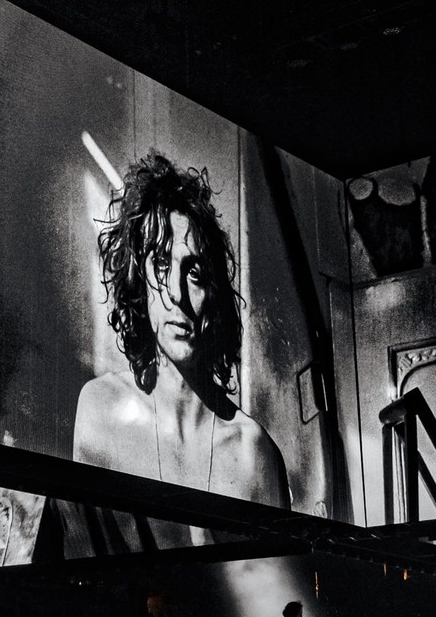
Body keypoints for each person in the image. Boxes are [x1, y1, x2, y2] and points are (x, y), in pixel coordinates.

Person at [74, 152, 288, 507]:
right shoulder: (100, 408)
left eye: (195, 272)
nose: (176, 292)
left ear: (215, 289)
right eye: (160, 263)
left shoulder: (254, 452)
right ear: (137, 278)